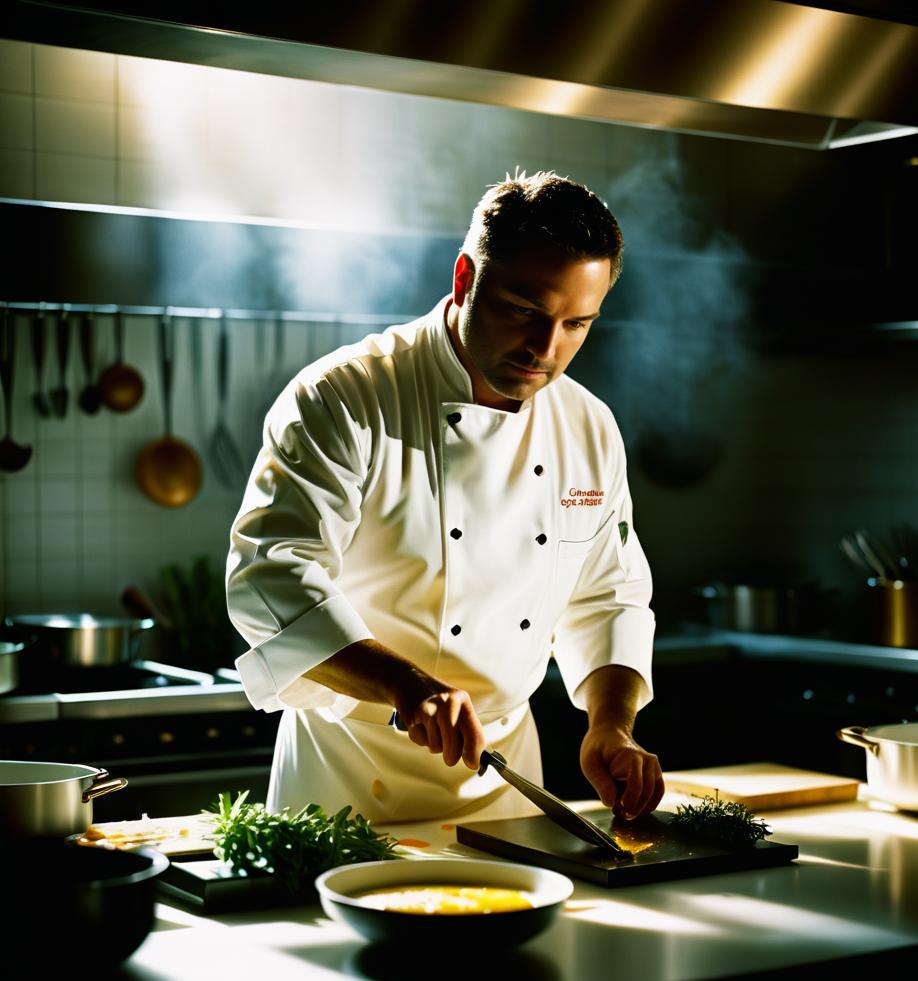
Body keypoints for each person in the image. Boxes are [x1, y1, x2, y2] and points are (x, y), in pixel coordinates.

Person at [226, 170, 664, 826]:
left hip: (508, 786)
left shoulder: (588, 425)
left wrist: (612, 724)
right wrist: (407, 686)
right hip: (349, 780)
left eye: (577, 323)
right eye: (523, 311)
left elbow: (610, 596)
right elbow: (271, 578)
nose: (547, 350)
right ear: (465, 278)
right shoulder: (346, 398)